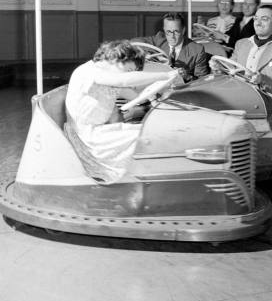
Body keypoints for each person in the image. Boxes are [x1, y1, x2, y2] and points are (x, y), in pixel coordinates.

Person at [65, 40, 179, 183]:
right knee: (148, 137)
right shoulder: (89, 71)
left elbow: (135, 95)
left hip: (99, 131)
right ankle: (150, 179)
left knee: (149, 130)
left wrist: (154, 97)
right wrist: (164, 75)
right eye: (129, 70)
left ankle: (154, 176)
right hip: (87, 137)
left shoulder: (108, 77)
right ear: (115, 58)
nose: (129, 75)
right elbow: (124, 81)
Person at [212, 4, 272, 132]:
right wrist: (218, 69)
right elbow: (231, 72)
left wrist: (262, 79)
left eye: (264, 19)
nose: (258, 23)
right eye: (256, 19)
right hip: (239, 104)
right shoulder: (242, 44)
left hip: (267, 111)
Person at [133, 12, 209, 82]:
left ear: (183, 30)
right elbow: (133, 42)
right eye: (168, 32)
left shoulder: (197, 49)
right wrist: (148, 53)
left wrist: (187, 76)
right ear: (164, 30)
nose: (172, 36)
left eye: (176, 31)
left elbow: (202, 81)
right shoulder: (159, 39)